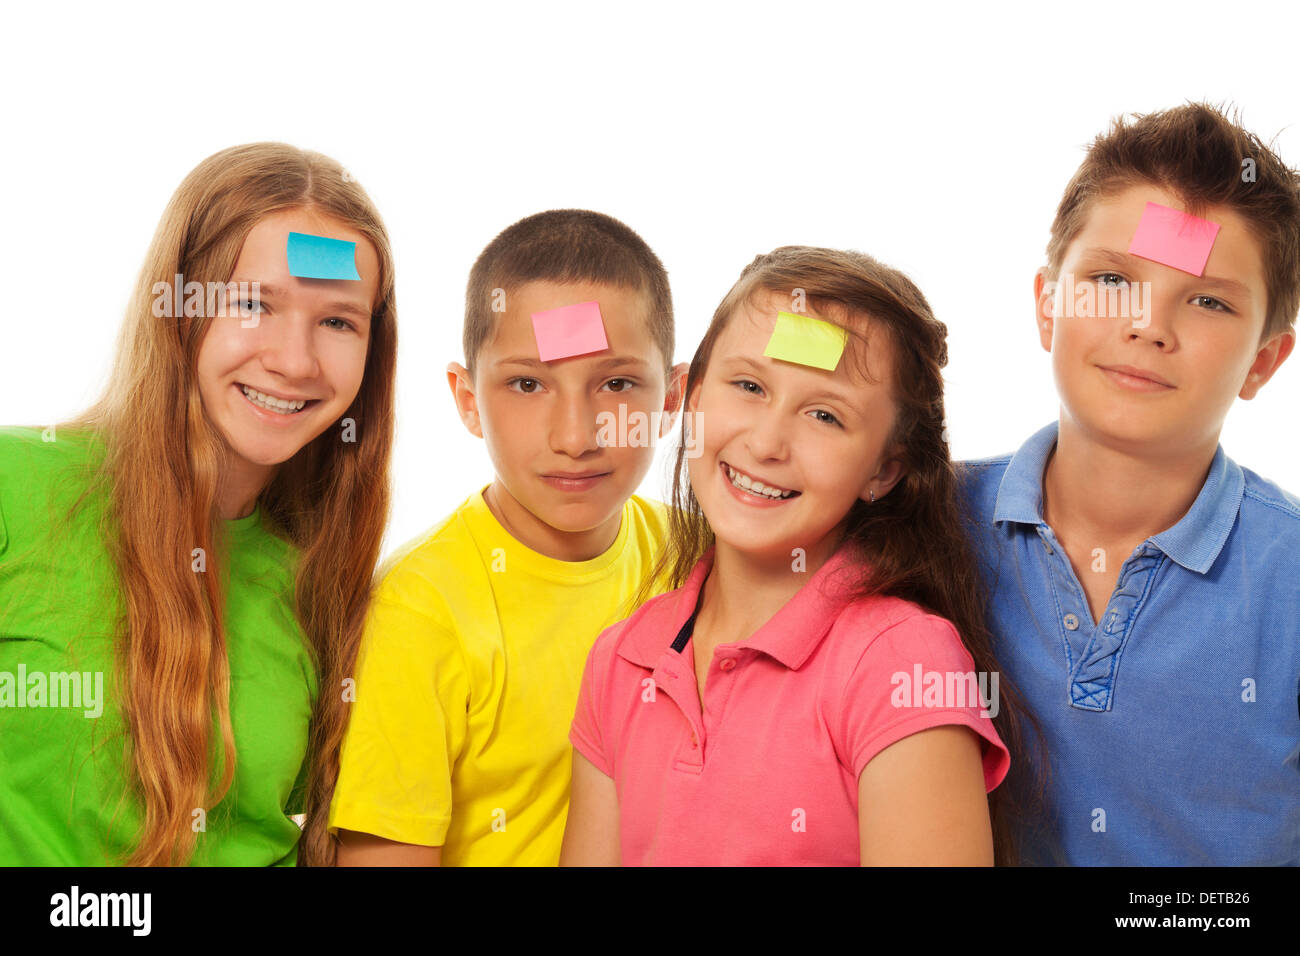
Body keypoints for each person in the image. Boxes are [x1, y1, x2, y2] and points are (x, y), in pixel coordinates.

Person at [562, 246, 1030, 866]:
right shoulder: (621, 660)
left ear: (885, 469)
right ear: (693, 399)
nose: (766, 441)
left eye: (825, 415)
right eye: (750, 386)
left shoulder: (901, 662)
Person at [0, 142, 397, 865]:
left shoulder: (327, 579)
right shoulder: (14, 487)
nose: (294, 360)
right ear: (179, 308)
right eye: (253, 304)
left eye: (338, 321)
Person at [957, 103, 1300, 864]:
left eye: (1208, 300)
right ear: (1049, 305)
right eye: (1113, 279)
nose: (1149, 326)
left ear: (1263, 363)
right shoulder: (926, 522)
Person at [331, 209, 688, 865]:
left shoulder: (697, 560)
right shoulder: (421, 612)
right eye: (527, 384)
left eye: (616, 383)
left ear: (672, 398)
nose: (575, 437)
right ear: (467, 400)